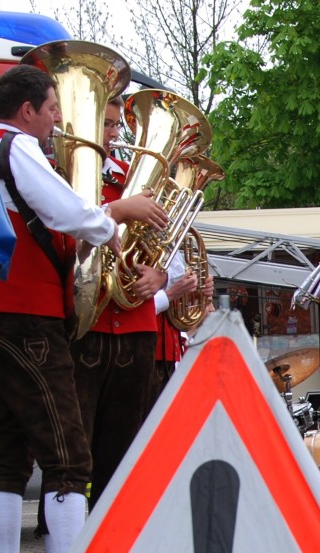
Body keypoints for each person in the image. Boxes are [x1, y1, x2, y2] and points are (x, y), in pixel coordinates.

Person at [0, 65, 167, 553]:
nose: (56, 122)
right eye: (52, 110)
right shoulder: (18, 147)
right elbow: (72, 215)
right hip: (28, 318)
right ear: (27, 110)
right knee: (70, 459)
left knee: (6, 457)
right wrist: (117, 217)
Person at [73, 97, 198, 508]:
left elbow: (166, 251)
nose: (113, 134)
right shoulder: (65, 177)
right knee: (75, 449)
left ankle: (117, 534)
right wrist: (118, 209)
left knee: (126, 450)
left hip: (135, 328)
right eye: (105, 124)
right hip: (86, 325)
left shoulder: (134, 178)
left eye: (115, 125)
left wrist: (160, 275)